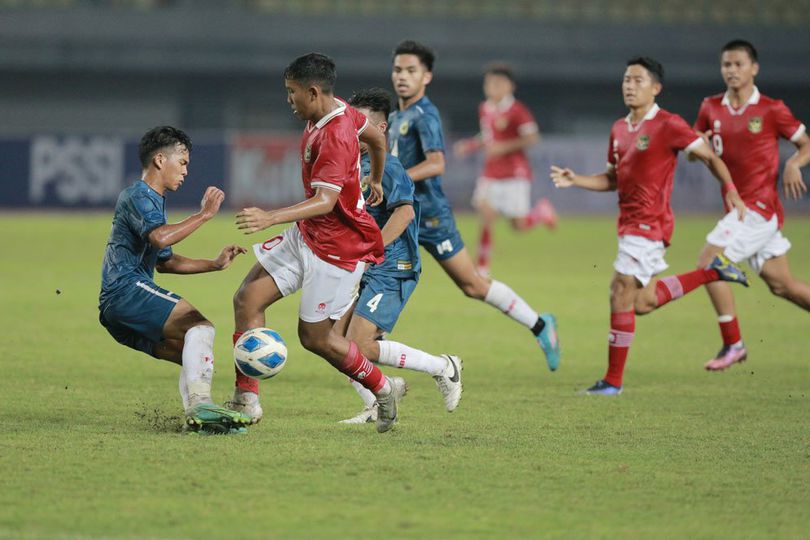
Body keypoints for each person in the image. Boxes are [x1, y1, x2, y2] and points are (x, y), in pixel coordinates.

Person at [227, 53, 406, 433]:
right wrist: (374, 176)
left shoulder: (335, 136)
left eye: (292, 93)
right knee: (246, 300)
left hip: (337, 252)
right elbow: (375, 135)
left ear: (312, 91)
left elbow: (325, 201)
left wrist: (269, 217)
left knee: (316, 339)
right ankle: (247, 401)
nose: (288, 100)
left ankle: (382, 387)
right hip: (308, 235)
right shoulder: (337, 109)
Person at [550, 57, 750, 395]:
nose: (629, 85)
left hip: (650, 224)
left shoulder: (669, 124)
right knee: (641, 302)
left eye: (638, 80)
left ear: (656, 88)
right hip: (628, 225)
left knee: (619, 291)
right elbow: (613, 179)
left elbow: (710, 157)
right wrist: (577, 180)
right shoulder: (618, 129)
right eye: (626, 79)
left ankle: (612, 382)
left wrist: (730, 190)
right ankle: (711, 272)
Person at [388, 40, 561, 371]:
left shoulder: (425, 114)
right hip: (400, 215)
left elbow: (436, 164)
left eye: (411, 70)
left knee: (473, 285)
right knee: (366, 279)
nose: (402, 77)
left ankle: (540, 325)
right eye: (398, 70)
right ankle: (369, 375)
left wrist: (394, 179)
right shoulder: (397, 116)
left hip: (429, 217)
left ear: (427, 77)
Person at [98, 126, 251, 434]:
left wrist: (216, 264)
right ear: (159, 160)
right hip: (125, 291)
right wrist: (204, 215)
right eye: (182, 162)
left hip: (117, 308)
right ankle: (201, 405)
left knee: (192, 353)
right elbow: (160, 238)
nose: (186, 170)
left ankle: (199, 420)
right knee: (201, 326)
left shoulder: (153, 201)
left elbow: (166, 261)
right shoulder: (139, 195)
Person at [333, 87, 462, 425]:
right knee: (332, 342)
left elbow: (403, 213)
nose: (352, 130)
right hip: (363, 266)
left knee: (358, 345)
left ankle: (443, 367)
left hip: (392, 265)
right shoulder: (355, 163)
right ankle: (380, 396)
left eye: (359, 124)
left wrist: (373, 251)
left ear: (381, 129)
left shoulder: (387, 166)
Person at [692, 39, 810, 371]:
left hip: (758, 208)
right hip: (738, 210)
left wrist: (794, 163)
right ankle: (734, 344)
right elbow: (693, 146)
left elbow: (805, 144)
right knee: (782, 284)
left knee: (709, 262)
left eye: (738, 64)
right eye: (726, 65)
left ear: (754, 68)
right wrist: (695, 147)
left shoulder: (772, 109)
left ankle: (734, 344)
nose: (731, 70)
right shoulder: (710, 107)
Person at [454, 63, 557, 276]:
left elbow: (532, 137)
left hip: (515, 174)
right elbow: (487, 136)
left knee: (518, 226)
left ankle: (540, 213)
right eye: (489, 83)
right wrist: (471, 145)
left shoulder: (518, 110)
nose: (493, 87)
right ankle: (482, 266)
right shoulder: (485, 108)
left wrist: (504, 147)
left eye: (499, 83)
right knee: (486, 213)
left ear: (510, 86)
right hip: (490, 172)